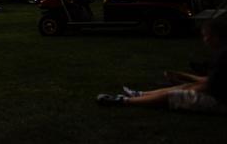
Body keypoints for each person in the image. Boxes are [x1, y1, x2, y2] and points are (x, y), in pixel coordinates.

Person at [96, 15, 227, 113]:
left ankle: (123, 101)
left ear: (214, 37)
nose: (204, 40)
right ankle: (141, 94)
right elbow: (209, 81)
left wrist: (185, 86)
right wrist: (183, 77)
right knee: (186, 86)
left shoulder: (223, 56)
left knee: (175, 95)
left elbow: (209, 86)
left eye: (205, 36)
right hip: (217, 93)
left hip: (220, 101)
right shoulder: (222, 53)